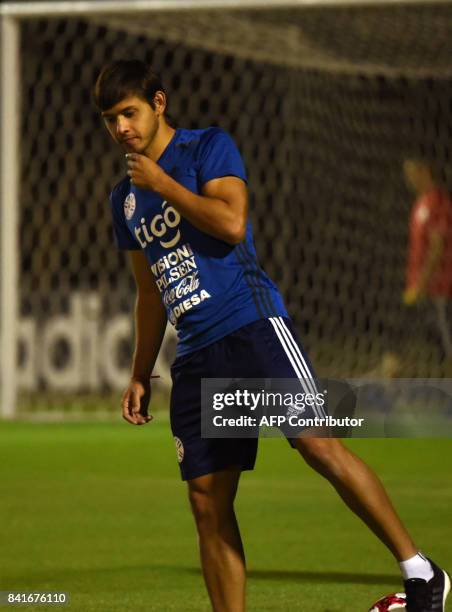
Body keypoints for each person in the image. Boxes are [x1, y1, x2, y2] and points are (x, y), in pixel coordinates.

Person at [93, 60, 450, 612]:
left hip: (252, 327)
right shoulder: (125, 200)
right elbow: (148, 291)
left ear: (158, 103)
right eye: (111, 119)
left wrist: (164, 184)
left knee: (317, 444)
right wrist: (139, 372)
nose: (121, 128)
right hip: (195, 353)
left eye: (129, 113)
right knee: (207, 501)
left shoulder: (207, 148)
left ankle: (421, 572)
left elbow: (232, 223)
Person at [403, 159, 452, 363]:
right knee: (421, 341)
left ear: (425, 171)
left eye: (412, 171)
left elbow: (437, 248)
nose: (408, 178)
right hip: (421, 288)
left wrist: (422, 283)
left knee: (446, 339)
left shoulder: (439, 202)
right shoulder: (420, 203)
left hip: (440, 287)